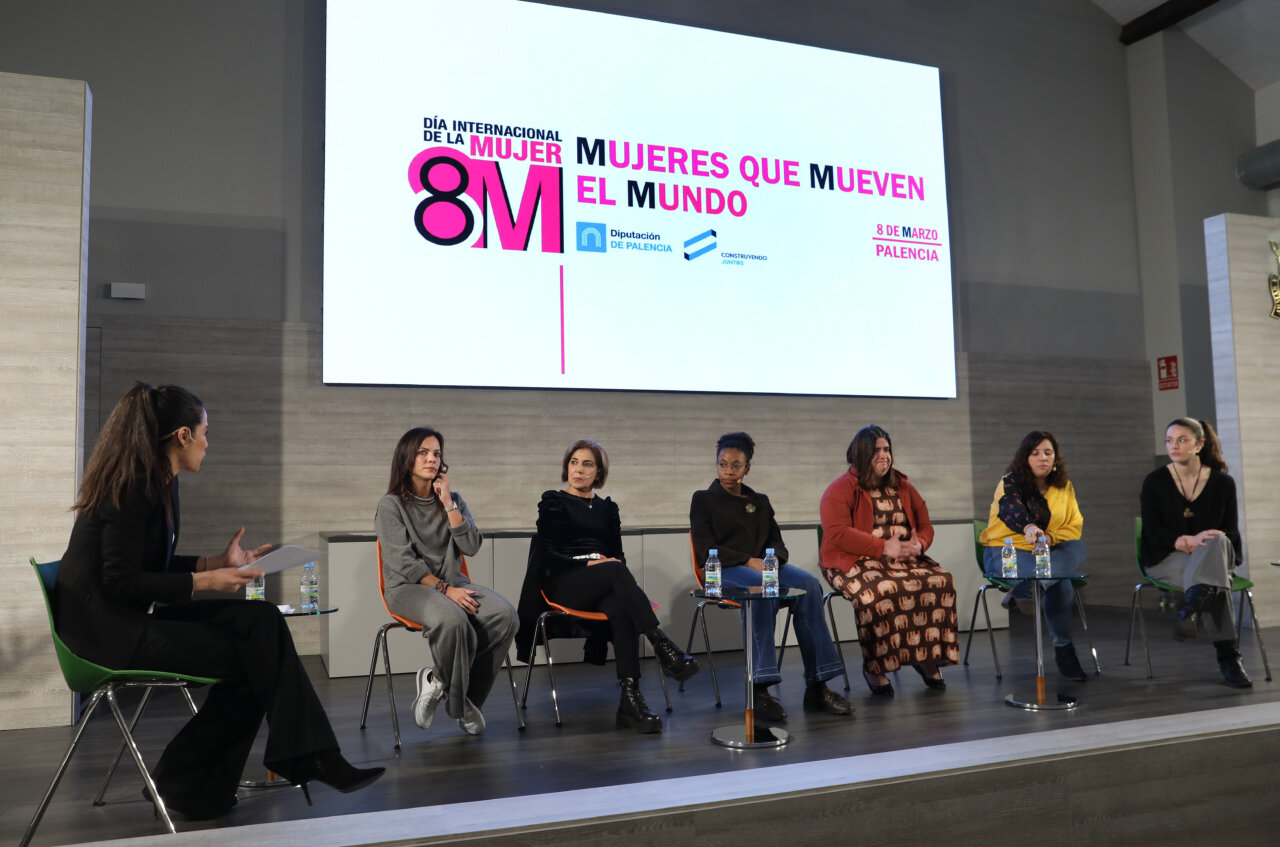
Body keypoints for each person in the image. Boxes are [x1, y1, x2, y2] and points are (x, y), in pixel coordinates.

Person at [55, 383, 382, 820]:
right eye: (205, 433)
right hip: (104, 634)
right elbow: (120, 582)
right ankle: (194, 779)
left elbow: (152, 565)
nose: (209, 443)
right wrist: (207, 579)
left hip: (126, 617)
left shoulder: (161, 482)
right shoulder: (133, 486)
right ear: (183, 437)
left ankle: (293, 759)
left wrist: (215, 562)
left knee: (260, 622)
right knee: (254, 657)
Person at [516, 438, 699, 733]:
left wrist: (606, 565)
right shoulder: (554, 501)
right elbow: (547, 555)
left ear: (598, 472)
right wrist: (589, 563)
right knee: (613, 569)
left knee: (620, 606)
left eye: (587, 464)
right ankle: (662, 645)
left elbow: (619, 556)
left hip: (602, 582)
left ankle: (630, 699)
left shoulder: (607, 509)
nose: (578, 469)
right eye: (574, 462)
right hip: (563, 582)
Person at [690, 432, 852, 721]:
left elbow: (776, 541)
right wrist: (748, 560)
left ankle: (818, 685)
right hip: (723, 571)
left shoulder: (759, 501)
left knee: (810, 586)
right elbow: (705, 550)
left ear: (747, 468)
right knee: (763, 588)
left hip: (762, 568)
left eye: (736, 466)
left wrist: (774, 558)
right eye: (723, 464)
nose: (729, 471)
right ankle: (760, 689)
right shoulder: (703, 500)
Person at [375, 427, 518, 735]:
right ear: (407, 458)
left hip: (452, 582)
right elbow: (402, 563)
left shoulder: (453, 500)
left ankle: (442, 683)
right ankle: (460, 708)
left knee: (506, 616)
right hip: (407, 587)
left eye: (436, 454)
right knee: (453, 619)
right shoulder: (391, 505)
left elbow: (471, 547)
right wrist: (444, 589)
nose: (431, 459)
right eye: (423, 453)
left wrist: (449, 505)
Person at [819, 425, 957, 696]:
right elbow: (837, 534)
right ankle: (876, 667)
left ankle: (925, 656)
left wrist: (920, 544)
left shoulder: (903, 485)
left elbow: (926, 524)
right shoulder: (840, 488)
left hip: (904, 559)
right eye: (876, 451)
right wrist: (883, 547)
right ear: (861, 455)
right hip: (851, 561)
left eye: (886, 449)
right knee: (879, 592)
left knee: (941, 581)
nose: (884, 455)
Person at [1140, 418, 1250, 687]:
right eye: (1169, 440)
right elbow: (1151, 532)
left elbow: (1231, 534)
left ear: (1199, 444)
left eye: (1182, 440)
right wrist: (1181, 540)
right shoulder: (1155, 481)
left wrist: (1206, 538)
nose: (1173, 446)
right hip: (1167, 558)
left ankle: (1190, 607)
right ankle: (1229, 658)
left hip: (1213, 555)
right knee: (1216, 584)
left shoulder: (1223, 483)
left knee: (1216, 543)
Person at [978, 431, 1090, 682]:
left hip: (1048, 551)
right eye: (1035, 452)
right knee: (1061, 579)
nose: (1042, 458)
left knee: (1077, 547)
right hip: (1006, 551)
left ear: (1056, 458)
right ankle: (1064, 649)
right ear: (1024, 457)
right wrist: (1029, 527)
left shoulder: (1065, 487)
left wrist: (1049, 539)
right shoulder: (1010, 481)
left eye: (1048, 453)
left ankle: (1029, 588)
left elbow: (1074, 525)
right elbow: (1011, 509)